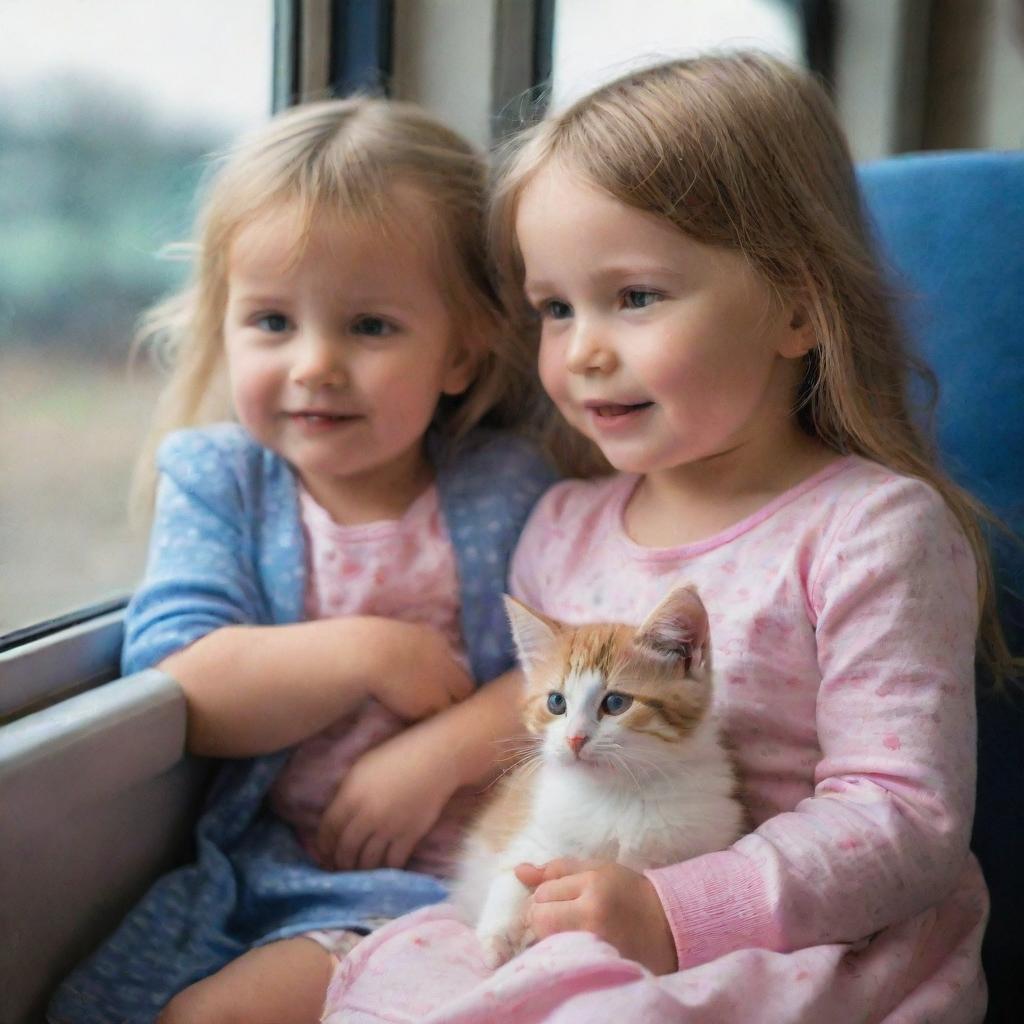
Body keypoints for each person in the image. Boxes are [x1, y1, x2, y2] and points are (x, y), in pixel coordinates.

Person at [318, 52, 1019, 1023]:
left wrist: (672, 909)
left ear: (796, 306)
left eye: (634, 296)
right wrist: (434, 755)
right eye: (555, 308)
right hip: (587, 907)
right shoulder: (562, 525)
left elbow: (901, 821)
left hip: (809, 945)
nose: (582, 349)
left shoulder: (870, 531)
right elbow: (540, 720)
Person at [47, 98, 555, 1024]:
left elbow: (570, 667)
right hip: (288, 874)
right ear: (223, 323)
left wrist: (435, 756)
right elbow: (185, 683)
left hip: (479, 876)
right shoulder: (221, 481)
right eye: (273, 321)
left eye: (369, 327)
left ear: (462, 349)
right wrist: (368, 650)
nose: (315, 363)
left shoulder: (504, 485)